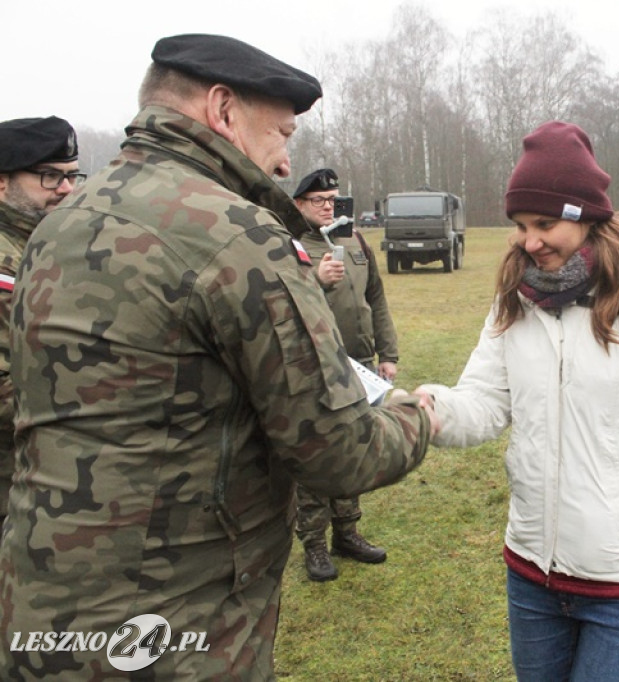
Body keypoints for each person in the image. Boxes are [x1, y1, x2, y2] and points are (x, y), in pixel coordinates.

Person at [0, 34, 436, 680]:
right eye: (280, 135)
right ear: (223, 110)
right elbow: (337, 450)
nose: (285, 164)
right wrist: (420, 418)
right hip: (173, 633)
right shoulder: (237, 235)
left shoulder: (60, 225)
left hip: (39, 619)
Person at [414, 121, 619, 681]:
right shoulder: (515, 299)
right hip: (532, 575)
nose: (529, 241)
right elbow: (485, 404)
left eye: (544, 223)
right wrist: (426, 411)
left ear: (588, 215)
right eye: (520, 225)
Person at [291, 168, 398, 581]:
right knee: (317, 454)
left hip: (361, 365)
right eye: (318, 200)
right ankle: (314, 544)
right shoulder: (290, 245)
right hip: (314, 367)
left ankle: (347, 532)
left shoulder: (354, 240)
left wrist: (387, 353)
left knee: (354, 450)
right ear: (299, 204)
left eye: (333, 199)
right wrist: (315, 282)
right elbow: (281, 305)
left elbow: (377, 298)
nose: (327, 206)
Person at [0, 116, 82, 528]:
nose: (66, 189)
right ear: (2, 182)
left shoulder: (45, 244)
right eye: (50, 177)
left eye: (71, 176)